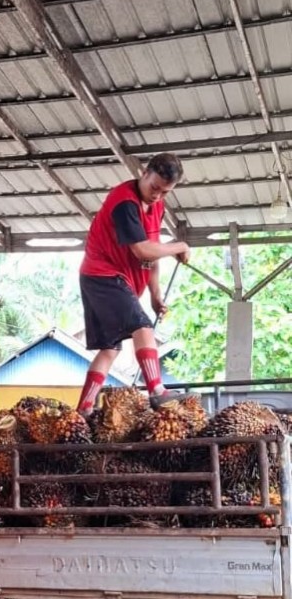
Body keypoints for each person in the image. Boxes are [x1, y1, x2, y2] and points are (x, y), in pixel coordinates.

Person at [76, 152, 191, 416]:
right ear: (144, 173)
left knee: (110, 348)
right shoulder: (124, 202)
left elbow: (153, 251)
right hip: (102, 275)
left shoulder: (157, 207)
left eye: (165, 192)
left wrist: (155, 294)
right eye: (154, 188)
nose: (157, 196)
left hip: (112, 279)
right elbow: (142, 251)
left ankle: (83, 408)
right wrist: (180, 246)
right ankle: (157, 391)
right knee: (142, 326)